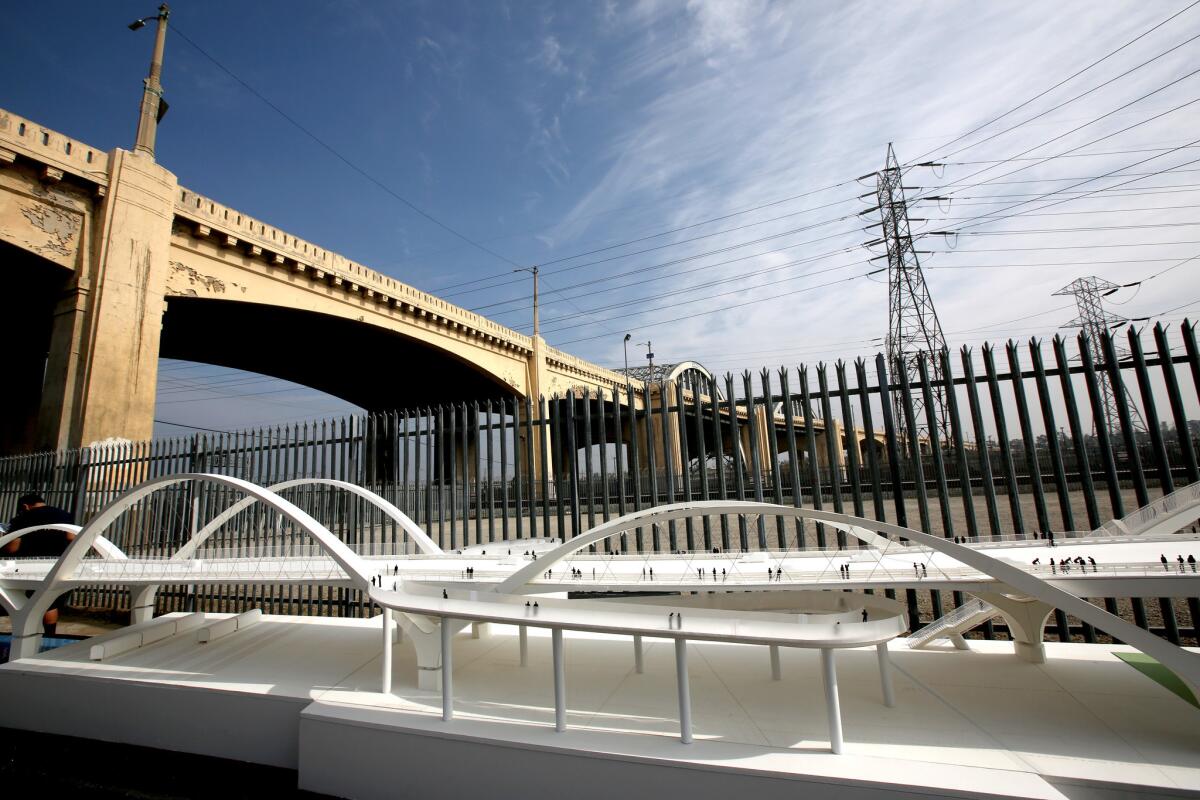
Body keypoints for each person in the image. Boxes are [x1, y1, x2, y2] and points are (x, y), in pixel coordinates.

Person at [4, 493, 75, 637]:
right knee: (50, 602)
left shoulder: (22, 518)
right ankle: (50, 635)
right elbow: (71, 537)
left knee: (32, 598)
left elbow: (13, 547)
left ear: (25, 506)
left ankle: (27, 634)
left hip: (30, 564)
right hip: (58, 562)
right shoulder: (64, 515)